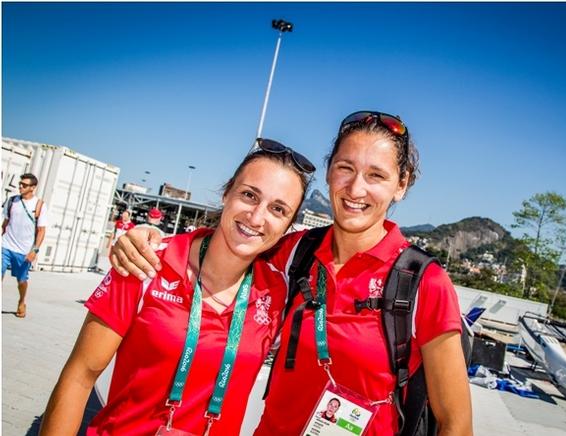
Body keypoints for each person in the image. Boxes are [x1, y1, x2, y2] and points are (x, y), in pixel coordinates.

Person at [111, 110, 473, 435]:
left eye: (376, 175)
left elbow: (455, 423)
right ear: (330, 170)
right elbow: (235, 239)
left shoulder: (423, 282)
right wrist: (150, 239)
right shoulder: (294, 252)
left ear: (401, 185)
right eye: (345, 168)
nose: (356, 188)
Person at [39, 139, 315, 435]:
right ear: (226, 193)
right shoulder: (145, 263)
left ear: (289, 226)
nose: (257, 217)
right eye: (249, 195)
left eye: (278, 209)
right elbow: (79, 377)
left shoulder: (278, 293)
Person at [2, 173, 48, 318]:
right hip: (5, 246)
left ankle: (22, 301)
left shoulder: (39, 205)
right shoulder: (12, 201)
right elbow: (5, 224)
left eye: (25, 185)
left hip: (24, 251)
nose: (20, 186)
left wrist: (34, 251)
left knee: (21, 280)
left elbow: (41, 231)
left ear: (33, 187)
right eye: (20, 183)